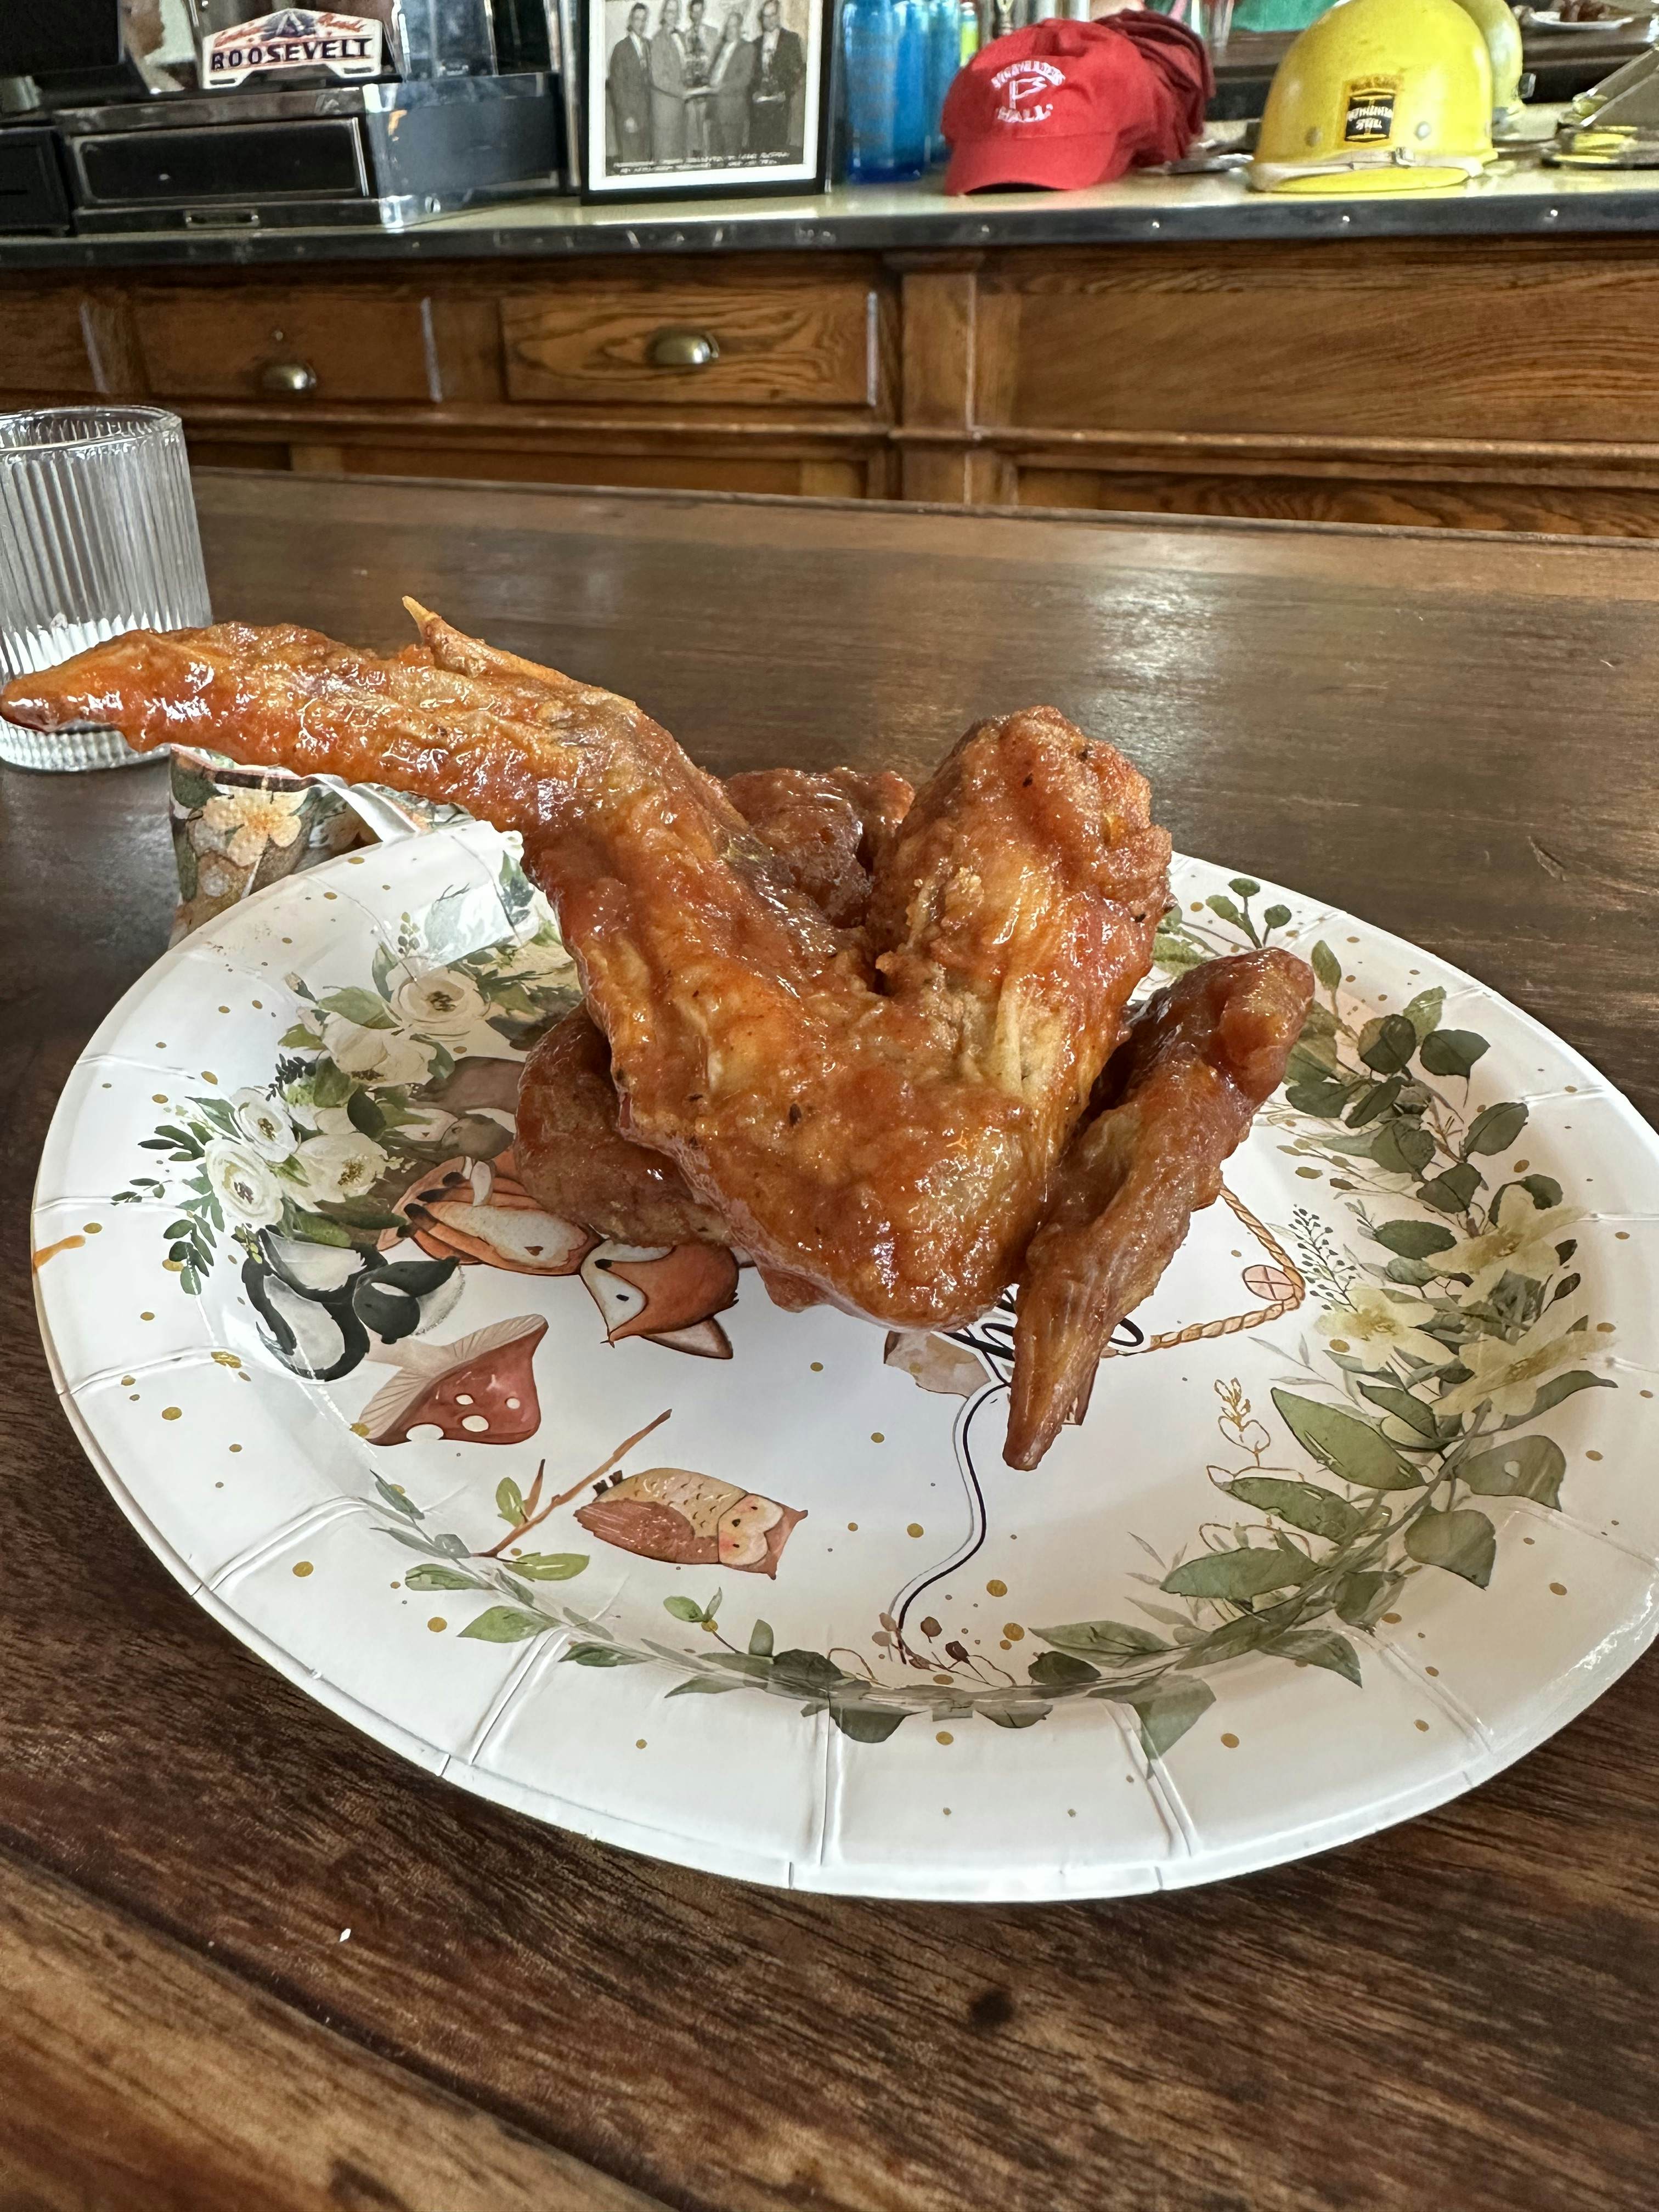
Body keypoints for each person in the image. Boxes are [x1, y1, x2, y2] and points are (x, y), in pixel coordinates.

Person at [747, 0, 804, 158]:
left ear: (779, 16)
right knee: (758, 154)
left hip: (781, 108)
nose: (769, 20)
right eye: (765, 17)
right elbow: (750, 76)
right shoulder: (755, 44)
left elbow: (798, 73)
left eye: (772, 15)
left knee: (778, 154)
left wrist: (786, 92)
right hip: (758, 111)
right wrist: (753, 93)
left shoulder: (792, 40)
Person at [707, 4, 755, 159]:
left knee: (731, 158)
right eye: (727, 26)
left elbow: (744, 79)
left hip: (733, 115)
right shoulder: (720, 48)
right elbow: (713, 75)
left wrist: (721, 87)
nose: (729, 29)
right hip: (715, 112)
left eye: (733, 26)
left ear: (740, 28)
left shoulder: (747, 48)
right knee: (714, 157)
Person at [608, 1, 654, 162]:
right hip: (630, 118)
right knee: (631, 163)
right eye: (637, 19)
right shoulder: (620, 49)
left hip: (647, 117)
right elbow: (617, 87)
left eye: (644, 20)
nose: (641, 24)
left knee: (645, 163)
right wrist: (627, 117)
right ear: (630, 21)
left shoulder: (649, 45)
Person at [649, 0, 690, 163]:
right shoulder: (658, 40)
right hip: (665, 110)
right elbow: (658, 78)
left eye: (676, 11)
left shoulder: (681, 36)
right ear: (663, 14)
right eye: (670, 11)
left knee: (679, 156)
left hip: (680, 106)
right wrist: (683, 91)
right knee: (665, 159)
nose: (674, 15)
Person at [682, 0, 716, 158]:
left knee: (705, 133)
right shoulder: (685, 35)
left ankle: (707, 163)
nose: (697, 16)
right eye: (694, 12)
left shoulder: (713, 32)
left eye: (700, 12)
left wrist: (704, 40)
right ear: (690, 13)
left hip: (706, 91)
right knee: (690, 132)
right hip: (690, 91)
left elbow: (716, 61)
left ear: (704, 12)